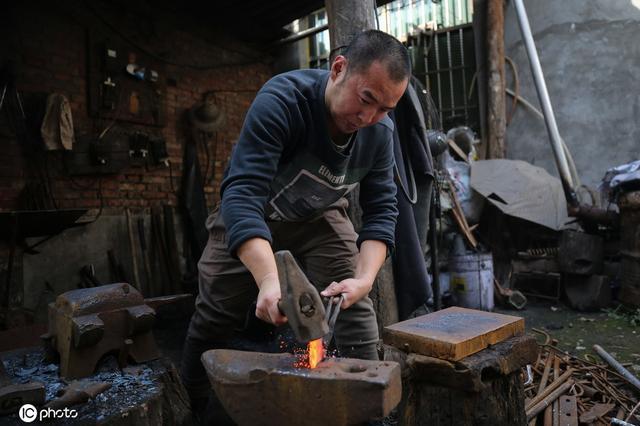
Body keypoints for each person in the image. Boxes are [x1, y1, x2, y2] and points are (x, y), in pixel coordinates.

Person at [180, 29, 411, 422]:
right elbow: (241, 194)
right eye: (366, 99)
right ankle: (189, 405)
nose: (369, 117)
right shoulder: (283, 101)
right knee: (214, 316)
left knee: (351, 307)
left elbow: (382, 212)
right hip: (253, 216)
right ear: (338, 69)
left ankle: (369, 407)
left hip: (320, 217)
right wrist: (269, 280)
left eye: (385, 109)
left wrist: (365, 279)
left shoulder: (379, 133)